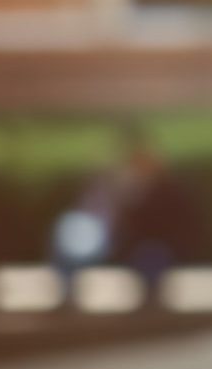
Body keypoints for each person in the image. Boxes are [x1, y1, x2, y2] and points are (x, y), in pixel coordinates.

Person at [50, 124, 198, 312]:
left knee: (151, 254)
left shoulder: (159, 189)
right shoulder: (107, 180)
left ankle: (150, 298)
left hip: (138, 242)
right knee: (71, 233)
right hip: (106, 235)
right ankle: (67, 293)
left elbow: (161, 224)